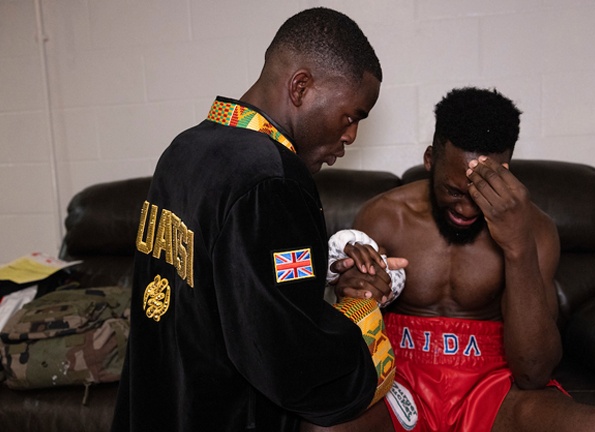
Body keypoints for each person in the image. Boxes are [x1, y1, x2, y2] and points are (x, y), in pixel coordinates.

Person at [111, 8, 402, 431]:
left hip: (163, 402)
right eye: (352, 115)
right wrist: (362, 307)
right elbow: (286, 357)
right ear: (301, 86)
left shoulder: (183, 148)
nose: (351, 135)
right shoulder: (272, 178)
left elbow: (227, 285)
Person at [303, 87, 595, 431]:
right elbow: (354, 320)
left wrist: (518, 247)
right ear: (430, 160)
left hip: (493, 385)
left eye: (481, 194)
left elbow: (533, 372)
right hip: (399, 380)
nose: (467, 209)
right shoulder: (385, 216)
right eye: (454, 191)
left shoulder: (535, 229)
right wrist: (354, 294)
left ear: (506, 172)